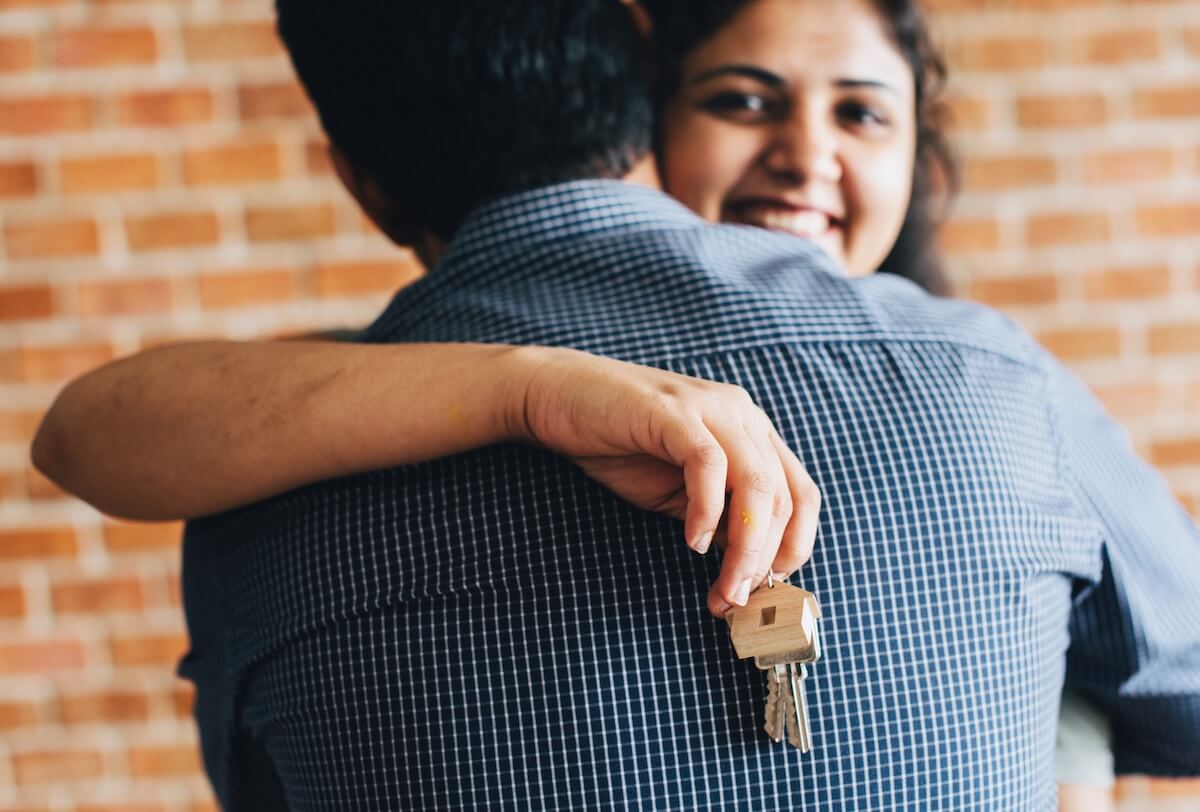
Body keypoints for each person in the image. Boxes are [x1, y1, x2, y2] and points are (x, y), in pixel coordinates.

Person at [32, 0, 1196, 806]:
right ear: (648, 75)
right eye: (748, 101)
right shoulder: (996, 378)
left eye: (863, 112)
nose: (805, 159)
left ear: (356, 176)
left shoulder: (264, 477)